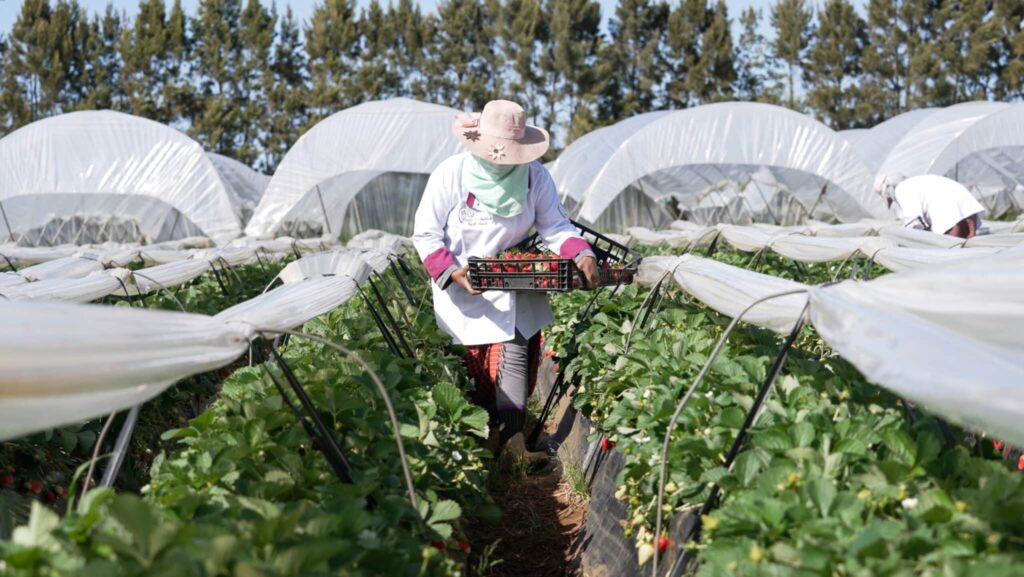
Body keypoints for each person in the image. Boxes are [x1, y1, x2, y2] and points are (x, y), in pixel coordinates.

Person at [412, 100, 599, 466]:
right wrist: (452, 272)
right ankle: (475, 448)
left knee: (513, 357)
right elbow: (426, 235)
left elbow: (556, 227)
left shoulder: (534, 177)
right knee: (468, 374)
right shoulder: (452, 174)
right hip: (463, 286)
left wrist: (581, 252)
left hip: (516, 283)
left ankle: (514, 448)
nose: (503, 162)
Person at [874, 174, 985, 239]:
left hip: (948, 213)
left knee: (952, 256)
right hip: (968, 207)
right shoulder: (919, 181)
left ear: (888, 190)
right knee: (968, 251)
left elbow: (914, 221)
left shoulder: (902, 189)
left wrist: (901, 239)